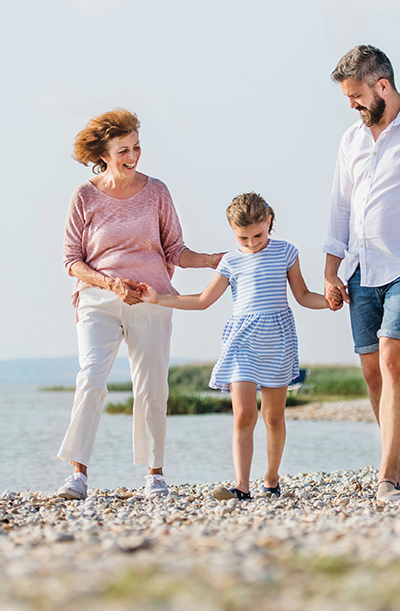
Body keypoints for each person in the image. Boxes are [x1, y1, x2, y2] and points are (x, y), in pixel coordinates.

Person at [55, 108, 222, 500]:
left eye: (136, 148)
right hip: (98, 298)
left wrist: (213, 259)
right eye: (123, 151)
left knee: (151, 386)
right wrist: (110, 284)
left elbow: (175, 249)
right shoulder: (84, 196)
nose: (132, 157)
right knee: (91, 377)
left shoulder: (157, 191)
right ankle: (77, 475)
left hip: (152, 298)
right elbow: (71, 261)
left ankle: (154, 475)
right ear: (104, 154)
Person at [142, 193, 328, 500]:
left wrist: (330, 303)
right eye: (244, 237)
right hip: (242, 341)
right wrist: (158, 298)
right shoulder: (230, 261)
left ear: (269, 221)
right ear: (231, 228)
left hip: (277, 340)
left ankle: (271, 478)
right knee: (243, 416)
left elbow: (304, 295)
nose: (252, 243)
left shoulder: (286, 252)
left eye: (258, 235)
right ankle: (242, 485)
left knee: (273, 417)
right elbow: (203, 300)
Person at [323, 45, 400, 501]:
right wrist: (330, 271)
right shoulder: (350, 141)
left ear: (382, 86)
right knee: (374, 374)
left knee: (395, 360)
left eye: (356, 95)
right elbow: (340, 207)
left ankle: (384, 478)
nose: (353, 105)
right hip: (360, 268)